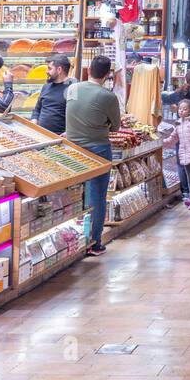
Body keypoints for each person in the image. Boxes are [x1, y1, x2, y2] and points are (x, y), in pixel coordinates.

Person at [65, 56, 121, 256]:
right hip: (97, 148)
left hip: (71, 148)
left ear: (88, 70)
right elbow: (115, 126)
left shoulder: (72, 89)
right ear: (107, 75)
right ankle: (94, 242)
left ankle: (71, 238)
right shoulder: (107, 96)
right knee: (96, 195)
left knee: (73, 193)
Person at [162, 100, 190, 209]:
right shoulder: (179, 124)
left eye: (184, 109)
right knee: (189, 176)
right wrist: (163, 142)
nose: (181, 111)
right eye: (180, 109)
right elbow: (173, 137)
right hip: (185, 154)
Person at [31, 54, 72, 135]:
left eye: (49, 69)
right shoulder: (46, 86)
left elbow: (77, 116)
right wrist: (34, 120)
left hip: (60, 138)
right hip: (40, 135)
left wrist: (68, 132)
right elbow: (37, 109)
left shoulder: (73, 88)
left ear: (59, 70)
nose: (47, 71)